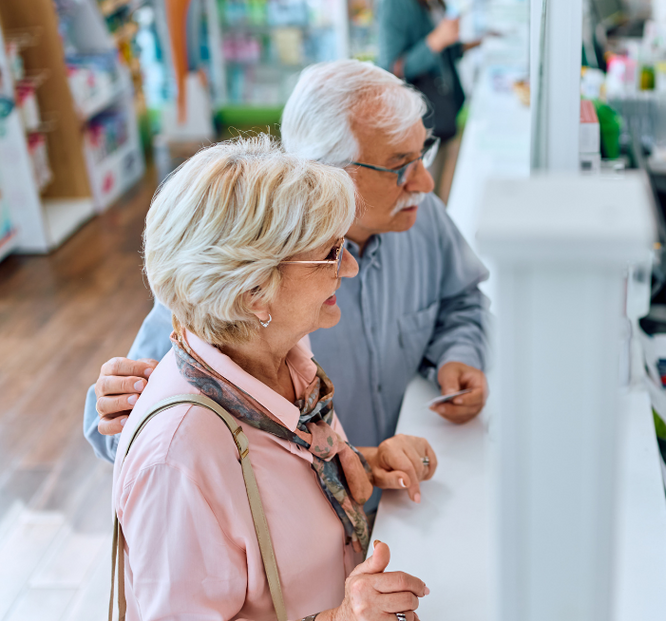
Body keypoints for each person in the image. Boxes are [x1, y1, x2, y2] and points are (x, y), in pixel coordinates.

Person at [86, 61, 490, 505]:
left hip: (401, 496)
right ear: (326, 169)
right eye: (400, 167)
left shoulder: (420, 213)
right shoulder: (239, 275)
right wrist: (119, 406)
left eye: (423, 154)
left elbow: (462, 300)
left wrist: (459, 354)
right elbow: (129, 426)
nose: (425, 183)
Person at [114, 135, 431, 619]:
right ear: (254, 292)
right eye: (329, 253)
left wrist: (363, 463)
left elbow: (277, 489)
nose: (349, 267)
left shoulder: (281, 355)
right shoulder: (177, 459)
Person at [375, 0, 481, 194]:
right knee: (424, 194)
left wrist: (471, 43)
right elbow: (390, 68)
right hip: (419, 118)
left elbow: (439, 53)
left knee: (437, 189)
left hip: (441, 111)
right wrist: (436, 41)